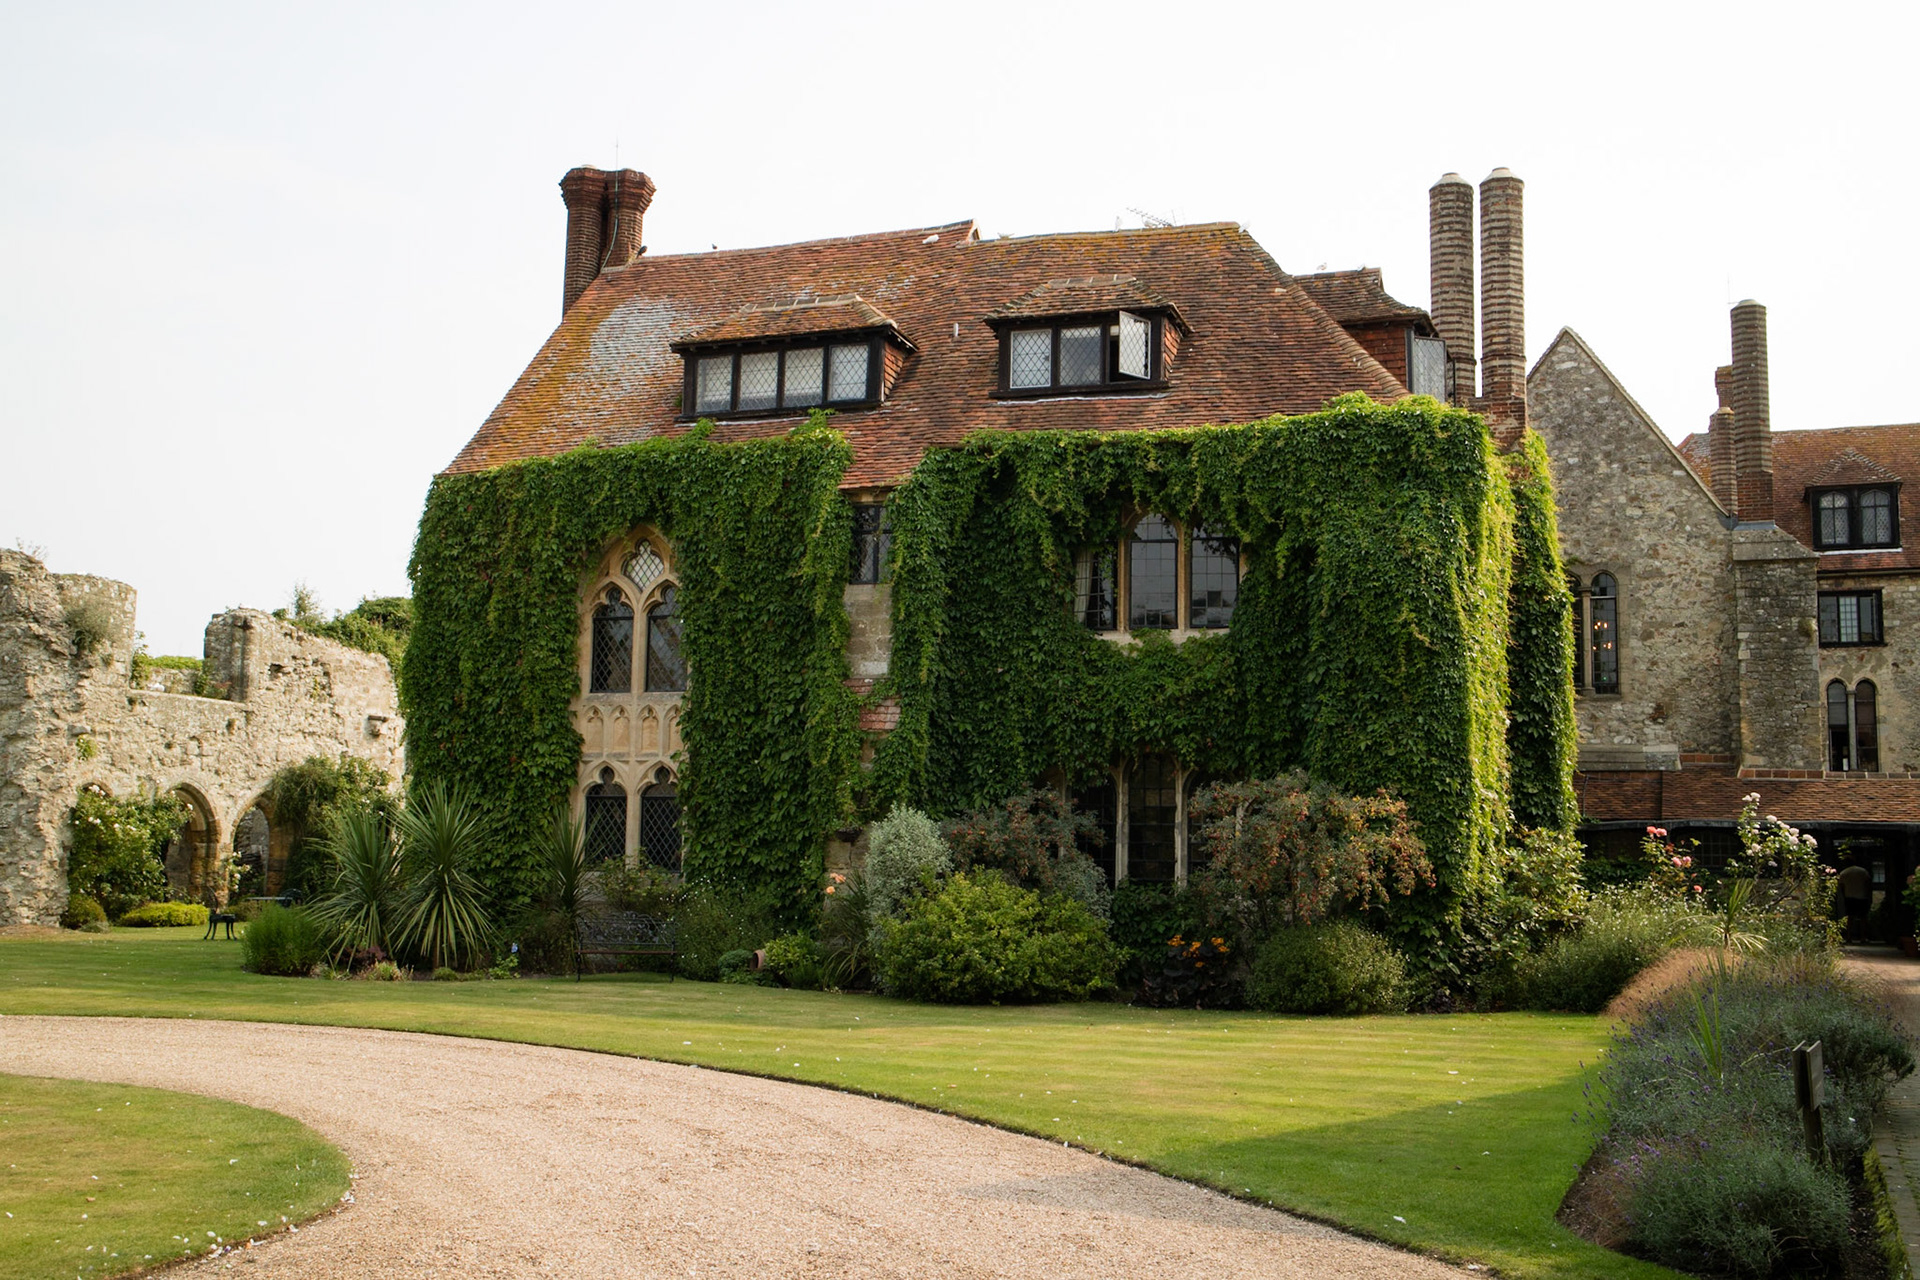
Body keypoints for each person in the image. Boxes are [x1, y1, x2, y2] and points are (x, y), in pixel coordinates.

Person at [1837, 861, 1872, 942]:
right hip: (1862, 896)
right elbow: (1868, 883)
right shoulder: (1863, 871)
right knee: (1863, 918)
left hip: (1849, 896)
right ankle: (1863, 937)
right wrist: (1868, 894)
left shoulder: (1844, 873)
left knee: (1850, 918)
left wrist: (1844, 895)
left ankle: (1849, 936)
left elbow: (1841, 885)